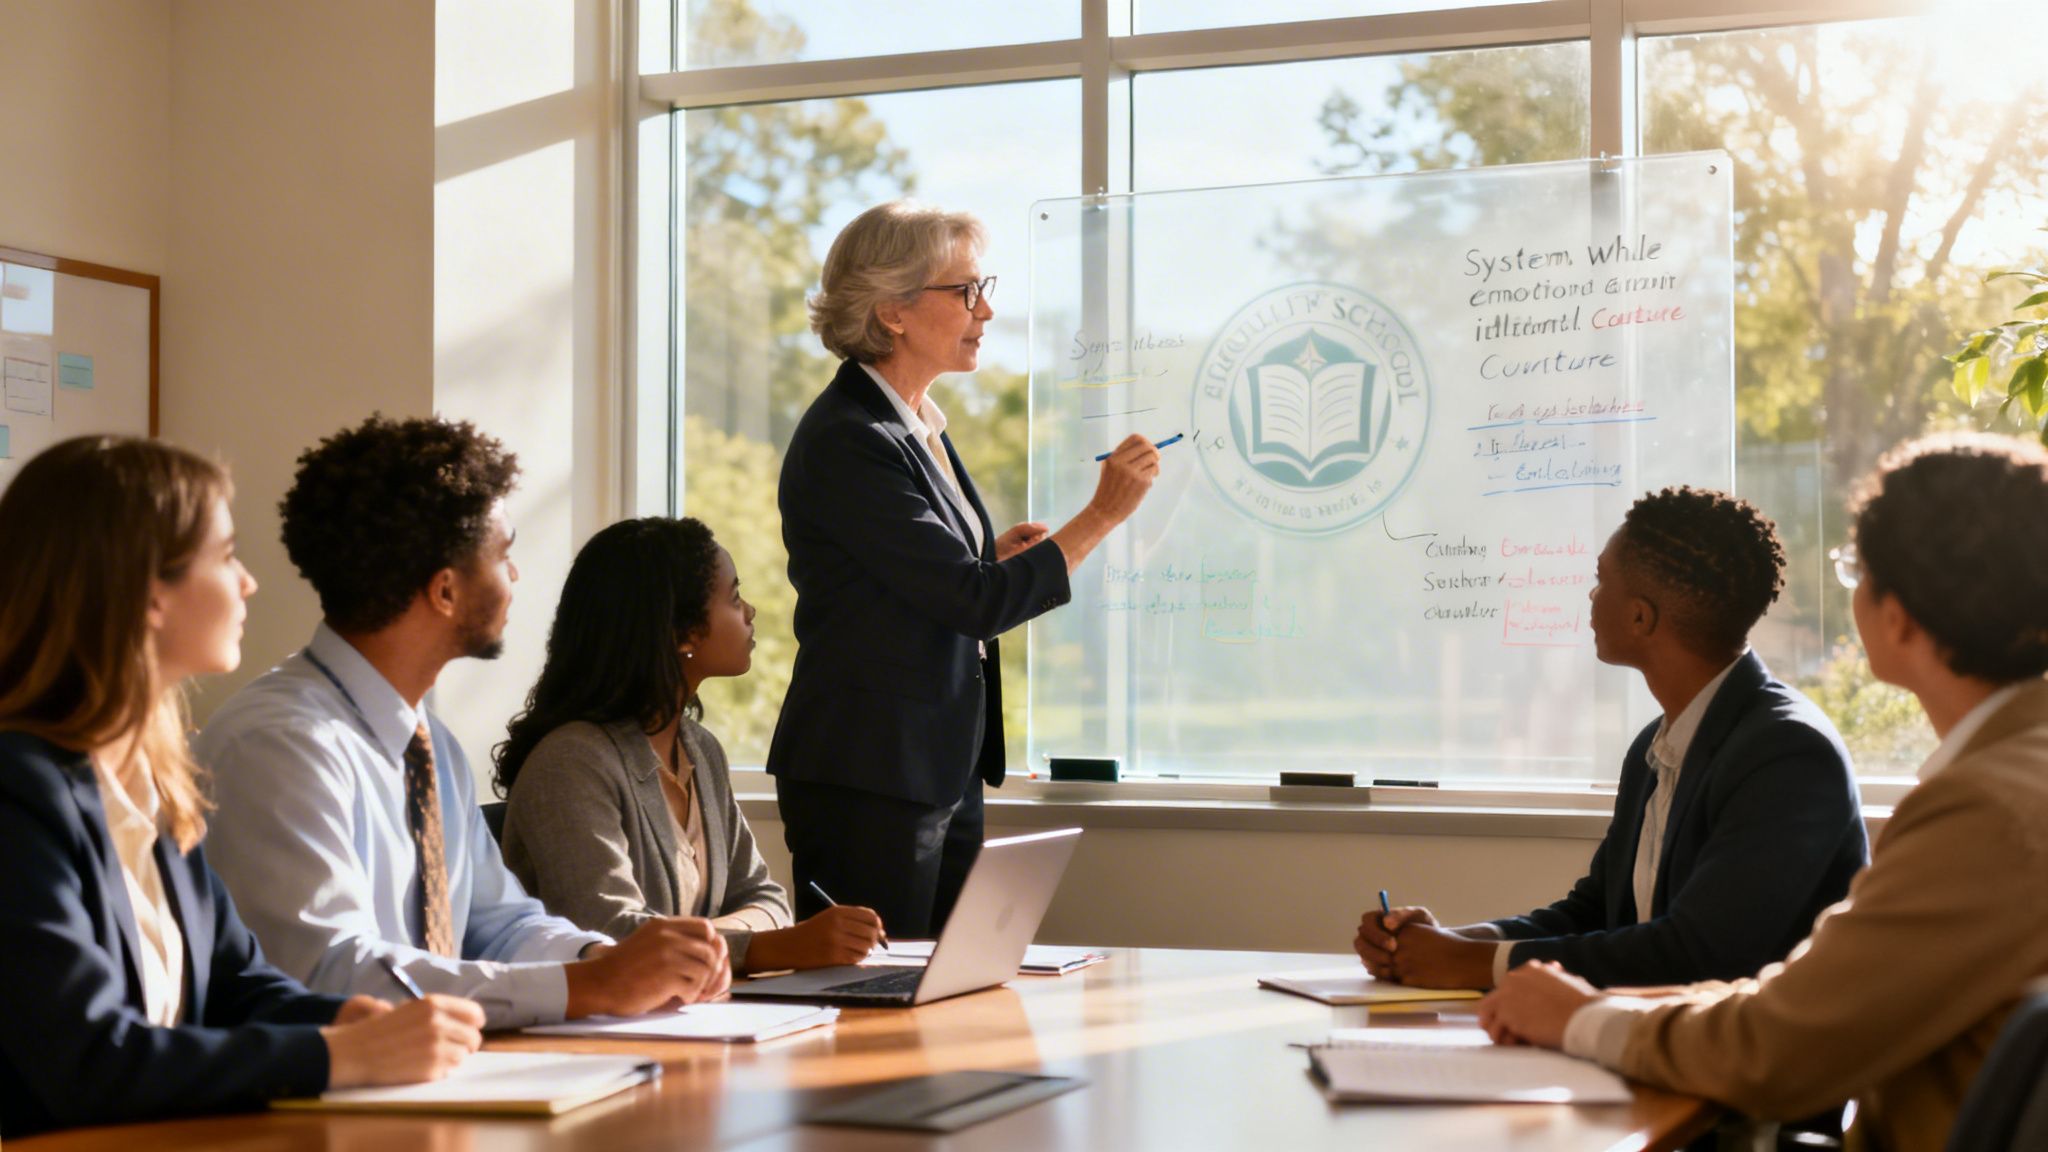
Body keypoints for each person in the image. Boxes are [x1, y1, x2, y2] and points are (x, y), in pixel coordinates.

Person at [1478, 433, 2048, 1151]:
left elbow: (1779, 1045)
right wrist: (1584, 1000)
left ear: (1896, 613)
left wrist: (1579, 1020)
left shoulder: (1984, 811)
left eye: (1854, 571)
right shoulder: (2022, 773)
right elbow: (1806, 1003)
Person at [0, 436, 485, 1137]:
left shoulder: (157, 782)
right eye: (227, 557)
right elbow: (87, 1058)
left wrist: (352, 1021)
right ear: (148, 593)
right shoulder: (19, 792)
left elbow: (237, 983)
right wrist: (332, 1056)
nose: (249, 582)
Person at [197, 415, 729, 1031]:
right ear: (445, 591)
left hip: (430, 1080)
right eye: (504, 554)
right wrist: (583, 986)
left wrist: (604, 959)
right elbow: (330, 972)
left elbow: (499, 922)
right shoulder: (282, 744)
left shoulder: (430, 744)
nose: (516, 576)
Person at [768, 200, 1160, 937]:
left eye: (986, 287)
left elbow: (936, 585)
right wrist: (1101, 515)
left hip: (932, 767)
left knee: (943, 991)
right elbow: (974, 602)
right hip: (872, 776)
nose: (986, 310)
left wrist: (989, 558)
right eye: (965, 291)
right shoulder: (852, 438)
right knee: (875, 1007)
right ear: (892, 311)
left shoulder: (912, 425)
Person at [1357, 487, 1866, 990]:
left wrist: (1475, 965)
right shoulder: (1656, 747)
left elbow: (1703, 954)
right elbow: (1598, 912)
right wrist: (1452, 943)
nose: (1591, 595)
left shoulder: (1788, 753)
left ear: (1641, 616)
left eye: (1601, 580)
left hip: (1761, 1065)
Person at [495, 516, 885, 972]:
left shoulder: (700, 749)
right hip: (602, 1034)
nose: (750, 612)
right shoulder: (570, 762)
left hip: (701, 1012)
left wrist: (725, 943)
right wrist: (765, 949)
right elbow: (609, 933)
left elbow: (765, 898)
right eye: (735, 597)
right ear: (682, 634)